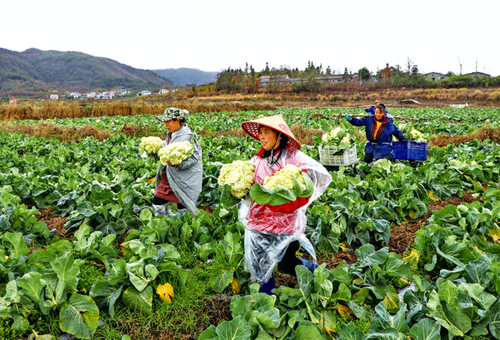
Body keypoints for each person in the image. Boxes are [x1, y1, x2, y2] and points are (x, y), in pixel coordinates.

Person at [240, 114, 332, 294]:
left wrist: (281, 205)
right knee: (260, 267)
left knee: (286, 265)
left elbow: (306, 191)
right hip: (258, 223)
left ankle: (311, 269)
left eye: (266, 132)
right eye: (260, 133)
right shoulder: (257, 160)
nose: (261, 137)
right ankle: (265, 302)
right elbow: (249, 190)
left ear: (279, 135)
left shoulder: (295, 159)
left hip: (286, 224)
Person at [153, 107, 203, 216]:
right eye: (164, 122)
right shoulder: (171, 134)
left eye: (168, 121)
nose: (166, 125)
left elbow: (195, 158)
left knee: (183, 207)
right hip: (168, 178)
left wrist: (179, 164)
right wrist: (155, 155)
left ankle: (183, 228)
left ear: (178, 121)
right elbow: (166, 154)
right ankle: (164, 223)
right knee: (157, 202)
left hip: (182, 180)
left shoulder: (188, 136)